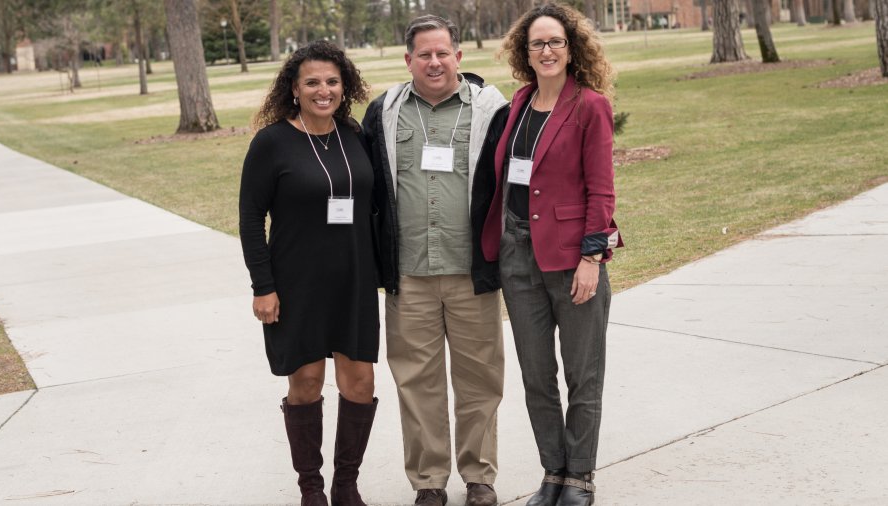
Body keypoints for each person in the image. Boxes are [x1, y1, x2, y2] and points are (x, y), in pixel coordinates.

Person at [361, 14, 509, 506]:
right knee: (416, 383)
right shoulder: (383, 112)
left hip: (472, 272)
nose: (434, 61)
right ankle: (429, 481)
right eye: (423, 54)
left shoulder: (493, 110)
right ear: (408, 61)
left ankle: (479, 476)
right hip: (410, 275)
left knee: (480, 379)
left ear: (459, 57)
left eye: (442, 52)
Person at [481, 3, 623, 506]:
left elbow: (601, 191)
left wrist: (592, 258)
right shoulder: (518, 103)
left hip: (571, 256)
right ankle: (554, 471)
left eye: (555, 42)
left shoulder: (590, 106)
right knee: (536, 373)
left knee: (584, 373)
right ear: (525, 51)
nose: (546, 51)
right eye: (537, 43)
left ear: (571, 48)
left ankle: (581, 476)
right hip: (517, 254)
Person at [239, 40, 379, 506]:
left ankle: (346, 485)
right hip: (296, 283)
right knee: (306, 384)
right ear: (294, 90)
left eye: (332, 81)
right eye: (312, 82)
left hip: (354, 280)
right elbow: (249, 217)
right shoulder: (272, 142)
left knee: (360, 383)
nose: (324, 90)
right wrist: (264, 287)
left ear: (345, 86)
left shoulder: (353, 135)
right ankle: (311, 488)